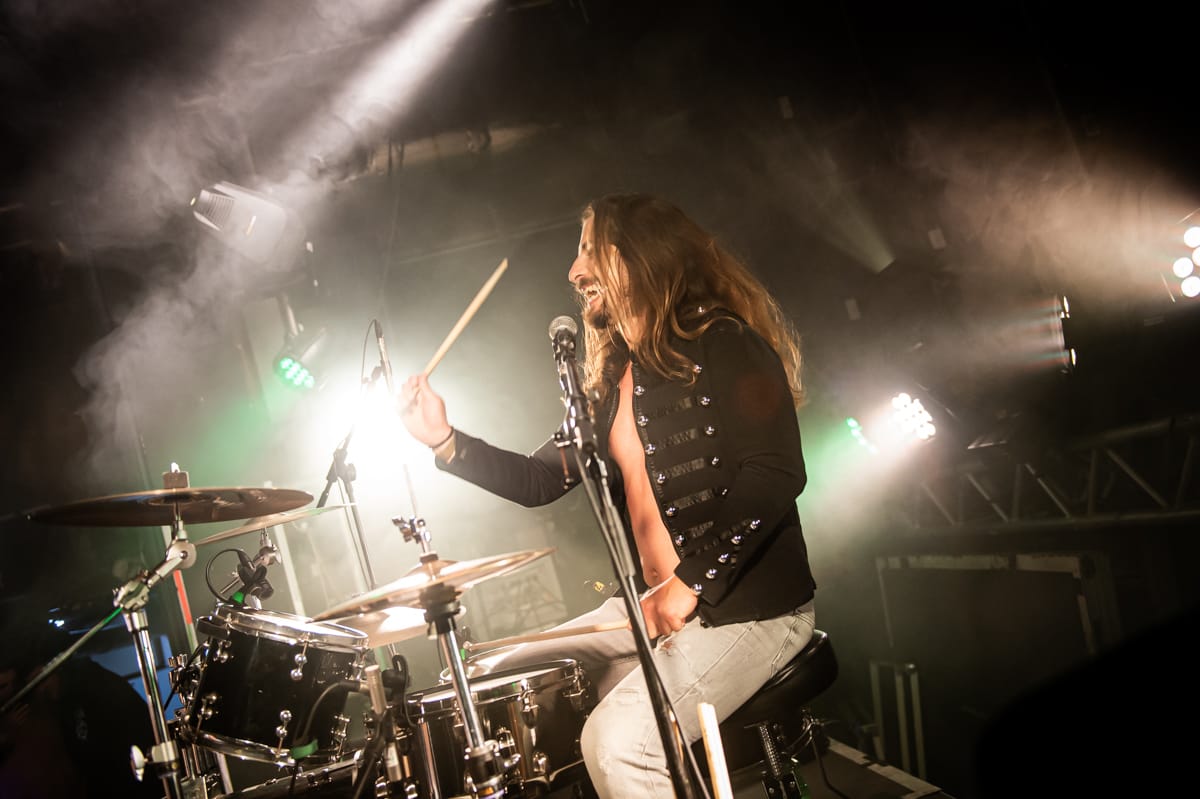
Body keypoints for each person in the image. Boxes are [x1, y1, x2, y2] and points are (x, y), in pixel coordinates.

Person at [399, 193, 817, 798]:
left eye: (589, 251)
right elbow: (540, 480)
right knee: (486, 676)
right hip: (652, 604)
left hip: (753, 610)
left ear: (639, 256)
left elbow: (775, 472)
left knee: (616, 744)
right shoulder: (614, 382)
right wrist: (444, 439)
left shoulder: (725, 341)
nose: (574, 272)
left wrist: (690, 582)